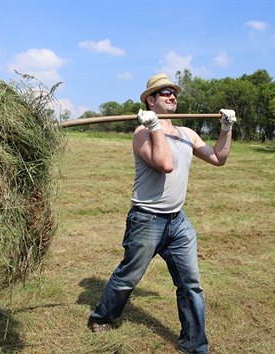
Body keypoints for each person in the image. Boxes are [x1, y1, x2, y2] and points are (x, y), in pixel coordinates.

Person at [87, 73, 236, 354]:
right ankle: (102, 316)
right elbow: (165, 164)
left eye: (173, 92)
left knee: (190, 283)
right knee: (129, 276)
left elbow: (219, 158)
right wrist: (155, 126)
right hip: (146, 219)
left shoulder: (187, 134)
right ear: (150, 101)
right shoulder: (142, 133)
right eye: (164, 92)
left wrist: (226, 129)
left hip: (178, 220)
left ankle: (194, 345)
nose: (172, 96)